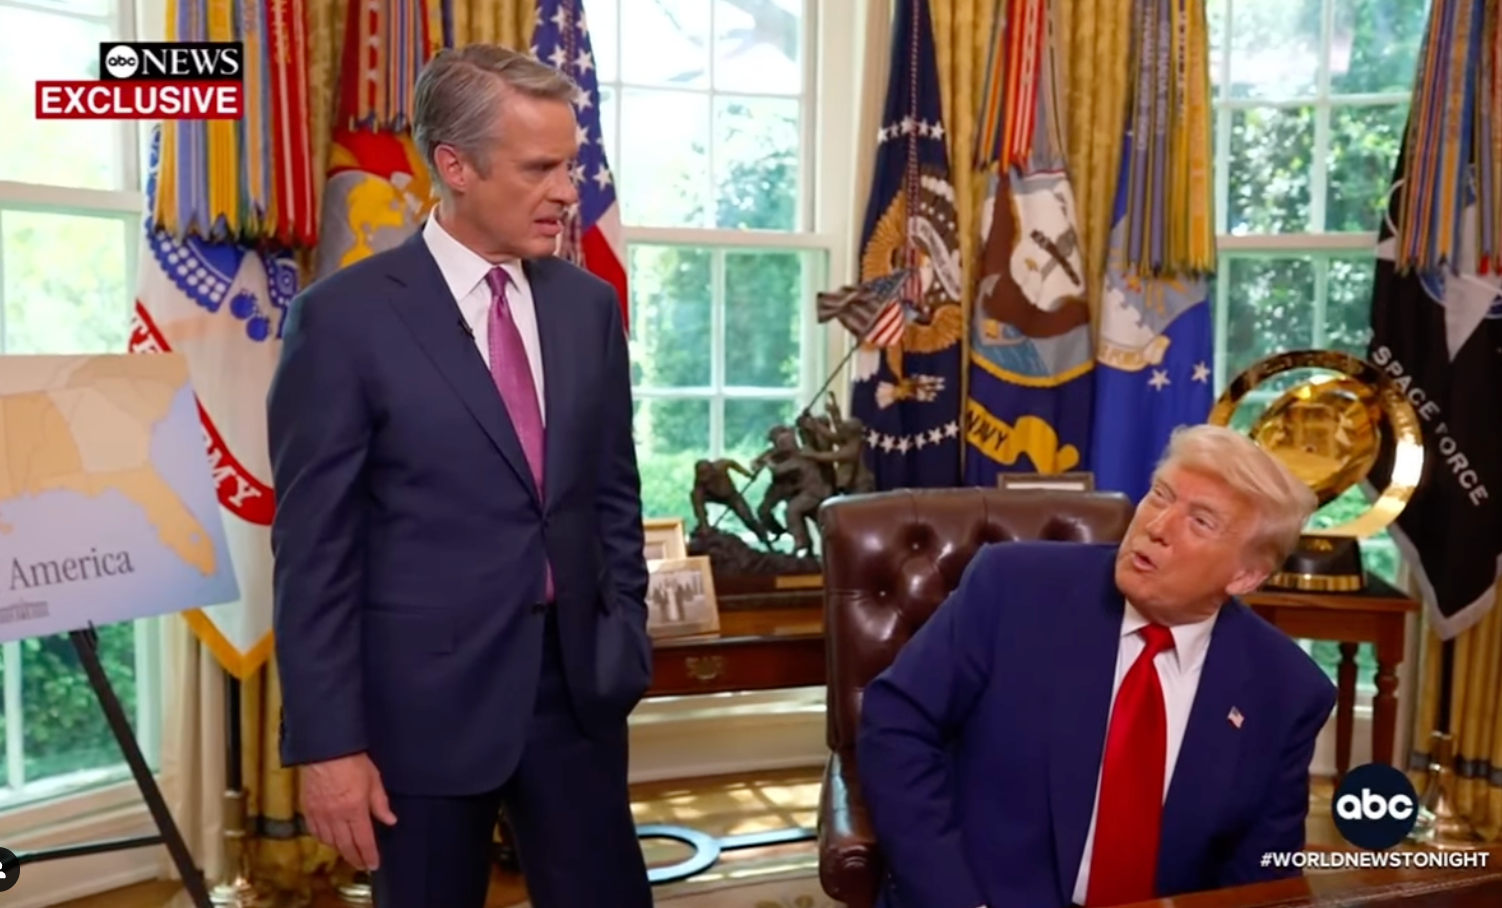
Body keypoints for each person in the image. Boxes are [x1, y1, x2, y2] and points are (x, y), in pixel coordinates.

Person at [266, 44, 653, 908]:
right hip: (422, 712)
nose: (567, 191)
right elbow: (314, 552)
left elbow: (612, 496)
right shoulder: (341, 322)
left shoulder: (587, 307)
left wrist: (622, 635)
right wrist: (330, 745)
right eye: (541, 168)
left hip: (580, 695)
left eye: (572, 164)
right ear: (456, 166)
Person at [857, 424, 1338, 908]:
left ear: (1246, 574)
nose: (1158, 526)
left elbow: (1257, 876)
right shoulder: (1013, 587)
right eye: (1160, 495)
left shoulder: (1287, 691)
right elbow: (897, 726)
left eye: (1201, 522)